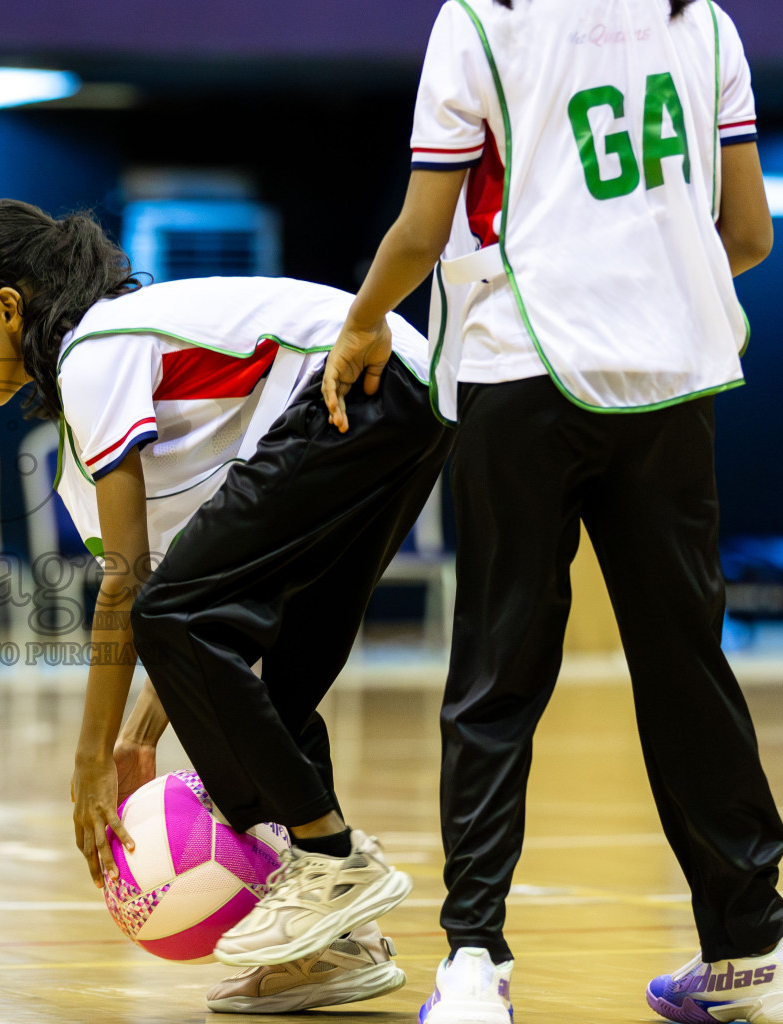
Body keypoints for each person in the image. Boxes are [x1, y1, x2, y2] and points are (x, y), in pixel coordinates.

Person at [320, 1, 778, 1021]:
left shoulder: (483, 20)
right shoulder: (704, 24)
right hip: (672, 372)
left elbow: (423, 227)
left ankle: (476, 961)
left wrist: (362, 321)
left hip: (521, 368)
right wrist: (645, 277)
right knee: (688, 667)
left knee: (498, 668)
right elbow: (746, 233)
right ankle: (752, 950)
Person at [0, 199, 453, 1012]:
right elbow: (189, 600)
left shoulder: (95, 347)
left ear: (7, 306)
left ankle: (328, 860)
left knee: (171, 616)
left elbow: (136, 591)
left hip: (358, 377)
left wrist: (94, 758)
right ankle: (337, 947)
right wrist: (143, 733)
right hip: (408, 405)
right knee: (270, 692)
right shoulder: (87, 447)